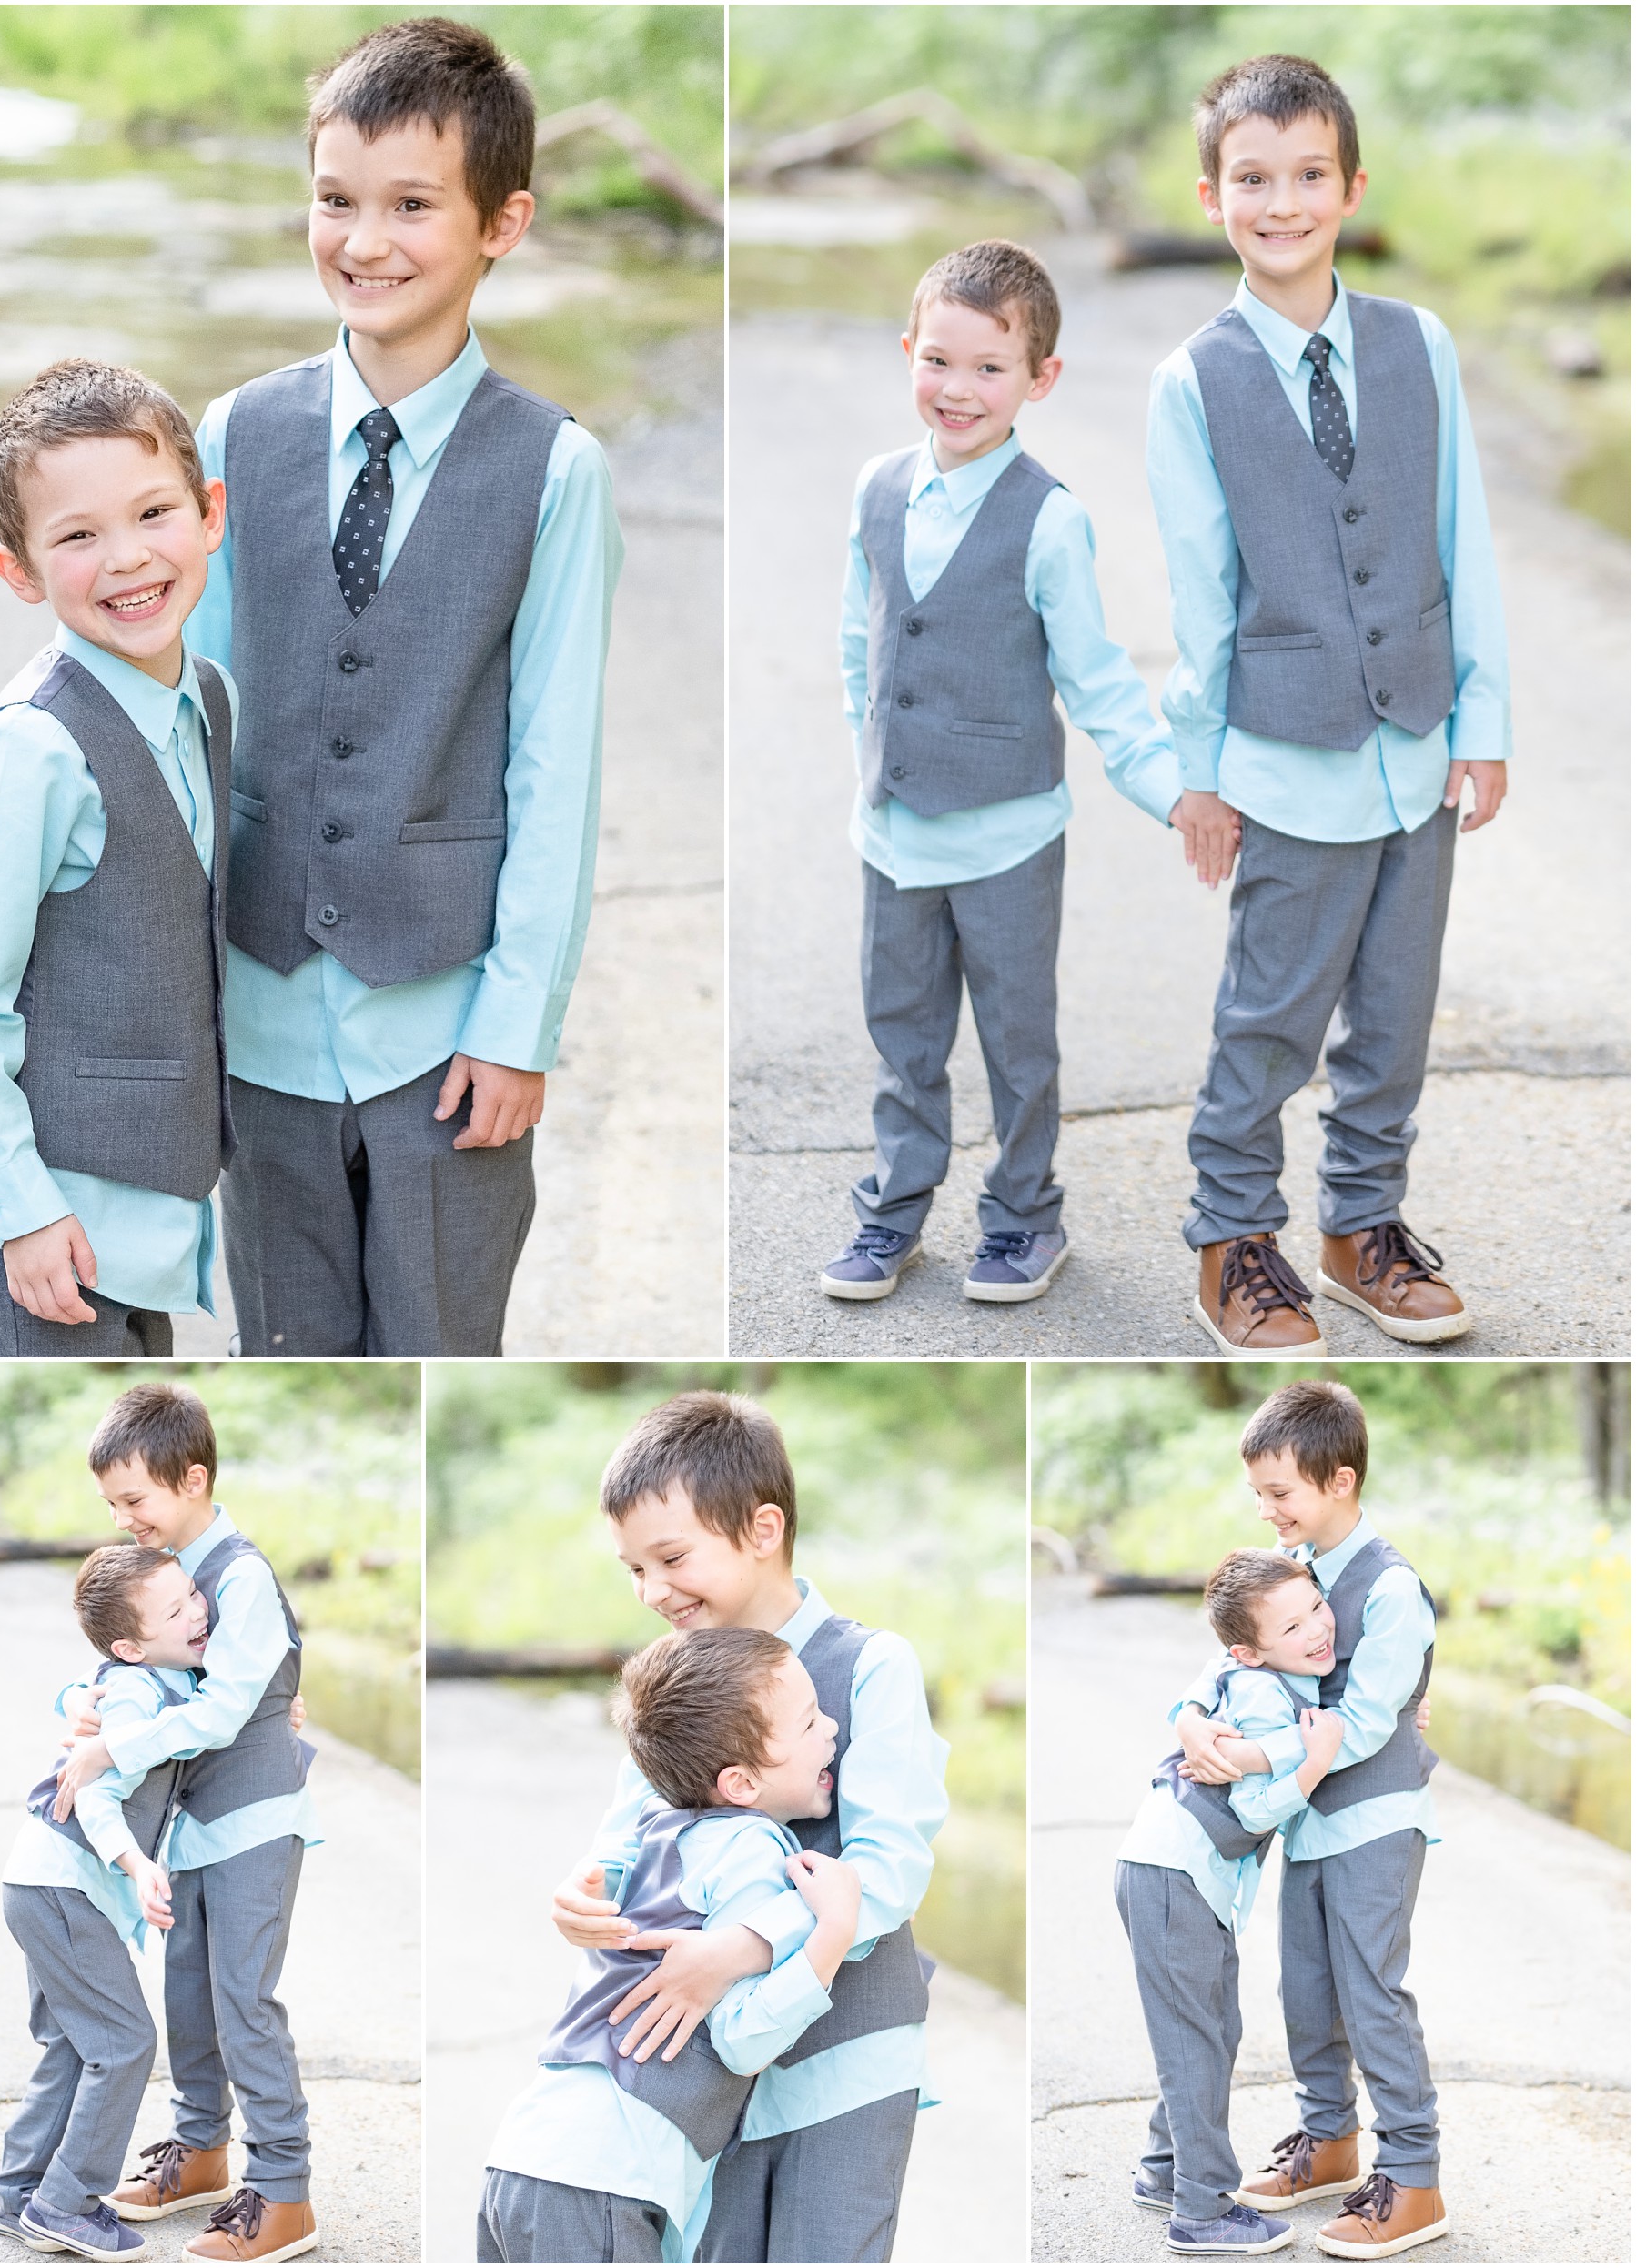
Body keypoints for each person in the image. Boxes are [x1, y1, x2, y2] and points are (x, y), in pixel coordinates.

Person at [182, 14, 623, 1357]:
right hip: (256, 1016)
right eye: (334, 201)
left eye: (410, 205)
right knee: (290, 1355)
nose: (362, 242)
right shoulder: (231, 434)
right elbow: (187, 724)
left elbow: (558, 762)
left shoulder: (555, 468)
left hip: (446, 1035)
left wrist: (519, 1025)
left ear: (504, 223)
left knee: (439, 1354)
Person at [1147, 53, 1510, 1354]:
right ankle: (1233, 1238)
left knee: (1397, 1015)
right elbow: (1202, 601)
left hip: (1415, 744)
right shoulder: (1193, 381)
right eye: (1254, 178)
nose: (1283, 201)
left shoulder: (1422, 346)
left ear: (1353, 188)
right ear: (1212, 196)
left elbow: (1463, 542)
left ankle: (1363, 1229)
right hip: (1285, 758)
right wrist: (1201, 771)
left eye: (1309, 175)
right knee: (1271, 1017)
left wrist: (1486, 721)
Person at [820, 236, 1218, 1308]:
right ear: (908, 350)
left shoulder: (1047, 518)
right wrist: (870, 754)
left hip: (1005, 838)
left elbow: (1096, 682)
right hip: (892, 835)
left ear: (1038, 381)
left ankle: (1023, 1219)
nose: (958, 389)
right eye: (938, 360)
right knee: (901, 1037)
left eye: (989, 369)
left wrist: (1170, 790)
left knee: (1014, 1043)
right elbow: (859, 640)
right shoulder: (876, 490)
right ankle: (892, 1213)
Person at [548, 1391, 947, 2263]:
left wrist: (747, 1944)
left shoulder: (870, 1664)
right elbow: (631, 1833)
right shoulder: (676, 1677)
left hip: (846, 2055)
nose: (653, 1589)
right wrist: (588, 1889)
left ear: (762, 1528)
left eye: (671, 1556)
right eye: (633, 1569)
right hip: (709, 2073)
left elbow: (887, 1866)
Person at [0, 360, 235, 1356]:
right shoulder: (31, 749)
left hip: (138, 1199)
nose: (126, 558)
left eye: (152, 513)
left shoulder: (207, 699)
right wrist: (23, 1210)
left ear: (209, 513)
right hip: (28, 1210)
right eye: (78, 536)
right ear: (21, 573)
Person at [480, 1626, 866, 2263]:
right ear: (740, 1783)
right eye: (809, 1723)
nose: (832, 1729)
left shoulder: (656, 1832)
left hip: (527, 2159)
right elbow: (742, 2038)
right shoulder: (752, 1846)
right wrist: (831, 1934)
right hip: (603, 2178)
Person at [1171, 1381, 1448, 2261]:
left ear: (1340, 1480)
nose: (1266, 1509)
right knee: (1308, 1991)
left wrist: (1241, 1756)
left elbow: (1360, 1722)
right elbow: (1229, 1663)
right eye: (1258, 1493)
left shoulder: (1392, 1587)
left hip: (1374, 1820)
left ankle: (1415, 2178)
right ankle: (1328, 2140)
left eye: (1279, 1492)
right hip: (1312, 1824)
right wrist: (1191, 1724)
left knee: (1373, 1994)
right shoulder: (1289, 1575)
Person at [50, 1383, 324, 2265]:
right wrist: (90, 1717)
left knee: (244, 2002)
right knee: (190, 1999)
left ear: (192, 1479)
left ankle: (284, 2192)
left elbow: (218, 1714)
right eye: (112, 1506)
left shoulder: (237, 1576)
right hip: (195, 1830)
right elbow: (125, 1670)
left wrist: (112, 1755)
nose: (125, 1518)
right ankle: (201, 2150)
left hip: (256, 1818)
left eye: (134, 1501)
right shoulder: (163, 1574)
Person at [1116, 1547, 1348, 2256]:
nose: (1317, 1628)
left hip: (1184, 1878)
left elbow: (1209, 1681)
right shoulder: (1256, 1690)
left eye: (1315, 1605)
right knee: (1197, 2039)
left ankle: (1164, 2170)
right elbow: (1251, 1810)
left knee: (1212, 2033)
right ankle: (1202, 2210)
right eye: (1294, 1627)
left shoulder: (1267, 1672)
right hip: (1172, 1875)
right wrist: (1310, 1765)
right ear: (1251, 1650)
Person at [0, 1544, 207, 2259]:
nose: (198, 1609)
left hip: (38, 1881)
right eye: (175, 1610)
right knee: (124, 2041)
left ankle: (18, 2189)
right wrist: (136, 1863)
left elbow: (83, 1685)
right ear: (130, 1645)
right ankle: (66, 2203)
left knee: (76, 2043)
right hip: (63, 1885)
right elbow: (98, 1794)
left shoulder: (145, 1674)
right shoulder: (142, 1693)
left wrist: (74, 1697)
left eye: (194, 1593)